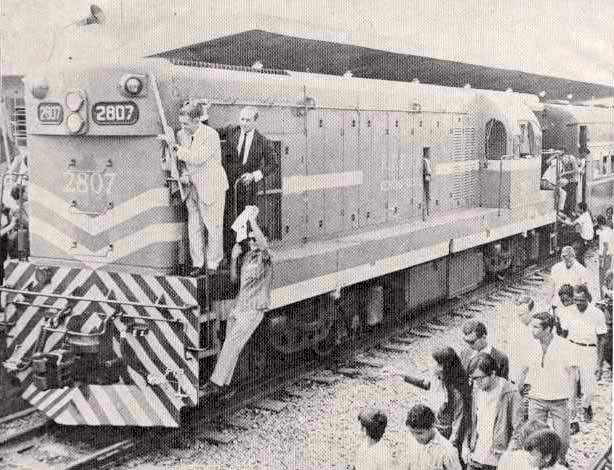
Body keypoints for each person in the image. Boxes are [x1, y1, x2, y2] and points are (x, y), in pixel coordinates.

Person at [201, 215, 273, 395]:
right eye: (250, 239)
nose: (252, 242)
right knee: (230, 344)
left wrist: (253, 220)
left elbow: (263, 244)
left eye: (254, 238)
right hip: (239, 306)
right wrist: (234, 258)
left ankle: (215, 382)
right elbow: (235, 280)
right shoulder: (248, 257)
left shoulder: (266, 257)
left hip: (254, 308)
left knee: (232, 343)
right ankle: (224, 384)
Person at [173, 101, 228, 276]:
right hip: (192, 187)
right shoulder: (182, 134)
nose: (182, 127)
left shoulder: (210, 135)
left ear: (197, 120)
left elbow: (198, 158)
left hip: (212, 186)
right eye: (181, 123)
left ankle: (213, 264)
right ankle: (198, 263)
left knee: (213, 226)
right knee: (194, 226)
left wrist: (176, 149)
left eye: (186, 123)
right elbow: (184, 163)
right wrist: (184, 173)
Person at [516, 312, 576, 465]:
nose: (532, 330)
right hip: (536, 398)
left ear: (548, 329)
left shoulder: (564, 345)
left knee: (562, 439)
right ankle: (537, 465)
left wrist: (573, 402)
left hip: (559, 400)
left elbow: (572, 374)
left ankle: (559, 463)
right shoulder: (529, 345)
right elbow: (523, 370)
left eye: (536, 327)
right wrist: (519, 390)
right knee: (534, 437)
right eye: (532, 326)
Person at [219, 106, 279, 255]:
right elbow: (209, 134)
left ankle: (244, 255)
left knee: (244, 223)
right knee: (227, 219)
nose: (244, 123)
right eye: (242, 119)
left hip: (247, 190)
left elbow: (273, 164)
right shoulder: (231, 131)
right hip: (228, 186)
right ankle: (228, 255)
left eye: (248, 120)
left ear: (255, 121)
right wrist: (204, 114)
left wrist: (254, 175)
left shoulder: (263, 141)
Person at [402, 346, 472, 449]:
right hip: (433, 429)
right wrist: (400, 375)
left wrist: (451, 447)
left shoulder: (455, 392)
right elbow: (424, 383)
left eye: (434, 362)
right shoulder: (439, 379)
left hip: (445, 437)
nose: (430, 364)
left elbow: (458, 422)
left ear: (443, 367)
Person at [464, 353, 522, 470]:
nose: (476, 382)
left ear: (493, 374)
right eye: (473, 379)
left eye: (479, 378)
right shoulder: (477, 391)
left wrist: (508, 456)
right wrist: (466, 446)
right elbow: (471, 422)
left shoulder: (510, 393)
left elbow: (519, 429)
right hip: (476, 456)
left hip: (498, 460)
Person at [559, 285, 607, 426]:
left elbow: (602, 338)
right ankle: (572, 415)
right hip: (572, 347)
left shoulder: (597, 313)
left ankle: (586, 406)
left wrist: (599, 363)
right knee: (570, 384)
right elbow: (564, 334)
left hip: (588, 350)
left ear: (587, 297)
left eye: (581, 300)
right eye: (575, 300)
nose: (578, 303)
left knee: (589, 385)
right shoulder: (568, 312)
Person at [505, 295, 537, 422]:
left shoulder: (535, 329)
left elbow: (527, 364)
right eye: (518, 314)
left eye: (523, 314)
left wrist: (518, 384)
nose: (520, 318)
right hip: (514, 378)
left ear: (532, 311)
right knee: (516, 417)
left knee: (525, 416)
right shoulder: (513, 328)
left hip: (528, 382)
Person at [402, 404, 462, 470]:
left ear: (431, 427)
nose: (416, 437)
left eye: (420, 433)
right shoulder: (412, 443)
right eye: (412, 433)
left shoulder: (447, 451)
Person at [548, 246, 589, 314]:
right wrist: (548, 303)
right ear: (561, 257)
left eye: (569, 257)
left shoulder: (581, 269)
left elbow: (584, 290)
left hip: (573, 301)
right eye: (564, 257)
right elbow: (551, 287)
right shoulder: (555, 268)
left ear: (573, 256)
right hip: (558, 300)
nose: (566, 260)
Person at [596, 214, 614, 290]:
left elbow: (605, 247)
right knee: (608, 276)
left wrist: (602, 260)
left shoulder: (603, 233)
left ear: (598, 223)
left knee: (602, 278)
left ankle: (603, 296)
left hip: (604, 257)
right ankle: (608, 295)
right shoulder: (610, 230)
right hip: (609, 256)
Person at [423, 149, 432, 220]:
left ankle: (428, 211)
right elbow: (426, 169)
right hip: (426, 176)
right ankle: (427, 211)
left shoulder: (427, 160)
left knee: (427, 190)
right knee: (426, 191)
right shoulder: (425, 160)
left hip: (427, 176)